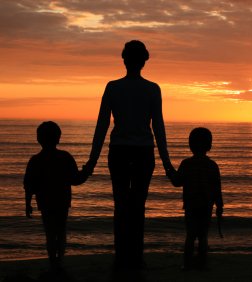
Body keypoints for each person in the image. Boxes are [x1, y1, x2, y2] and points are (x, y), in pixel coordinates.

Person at [84, 40, 173, 269]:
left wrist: (92, 161)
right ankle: (136, 256)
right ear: (144, 60)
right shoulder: (152, 89)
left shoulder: (113, 87)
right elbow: (158, 127)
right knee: (138, 206)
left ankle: (121, 256)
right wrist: (167, 163)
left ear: (124, 59)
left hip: (120, 151)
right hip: (143, 152)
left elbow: (102, 125)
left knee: (121, 205)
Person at [24, 121, 89, 270]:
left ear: (38, 139)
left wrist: (27, 203)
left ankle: (53, 261)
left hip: (45, 201)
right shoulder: (65, 157)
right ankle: (59, 261)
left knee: (50, 232)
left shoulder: (35, 160)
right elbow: (76, 179)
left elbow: (29, 185)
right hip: (62, 200)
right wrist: (86, 172)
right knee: (60, 231)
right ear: (58, 138)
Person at [167, 127, 223, 270]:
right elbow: (217, 188)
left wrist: (170, 172)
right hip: (206, 205)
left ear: (190, 144)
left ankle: (187, 264)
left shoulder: (186, 164)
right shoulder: (212, 166)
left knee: (191, 235)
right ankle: (202, 264)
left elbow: (177, 182)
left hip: (191, 206)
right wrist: (219, 206)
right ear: (209, 145)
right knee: (203, 236)